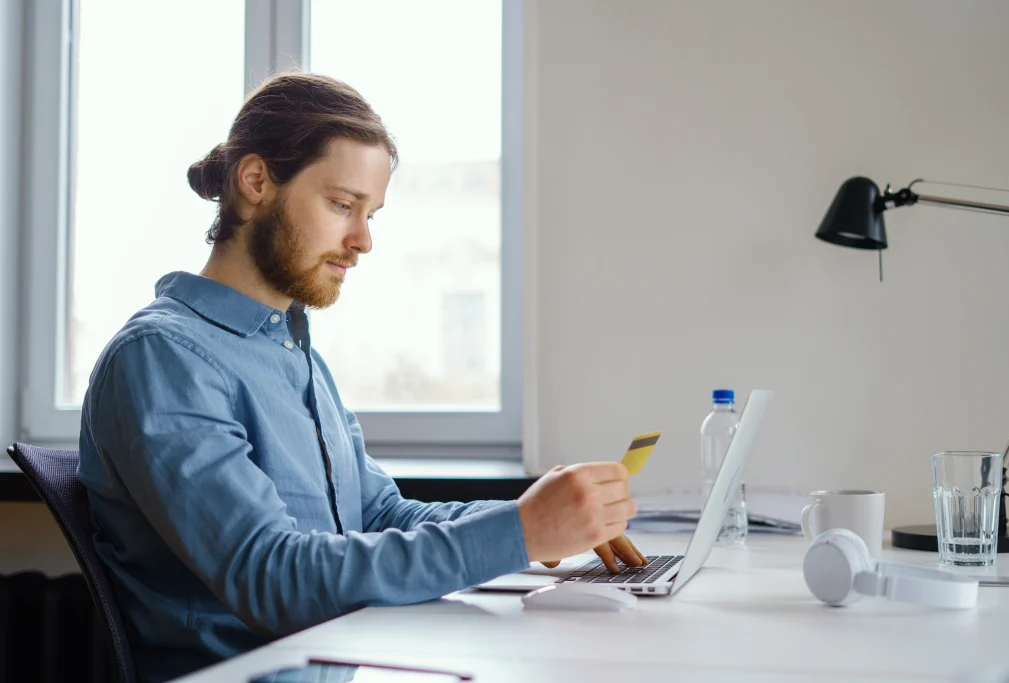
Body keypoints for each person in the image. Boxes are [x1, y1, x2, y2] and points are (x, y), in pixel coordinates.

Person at [77, 72, 645, 683]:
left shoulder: (292, 350)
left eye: (371, 213)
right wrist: (518, 532)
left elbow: (378, 516)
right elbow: (273, 577)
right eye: (342, 205)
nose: (363, 241)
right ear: (255, 183)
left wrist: (537, 518)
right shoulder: (163, 359)